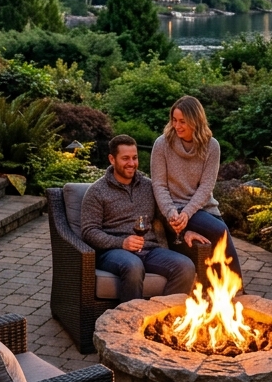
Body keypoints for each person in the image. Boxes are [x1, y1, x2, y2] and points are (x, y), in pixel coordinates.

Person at [81, 134, 206, 302]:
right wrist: (122, 243)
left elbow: (165, 218)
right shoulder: (97, 191)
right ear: (112, 159)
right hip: (114, 253)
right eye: (125, 158)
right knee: (133, 266)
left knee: (185, 266)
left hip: (150, 249)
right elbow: (89, 231)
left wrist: (184, 232)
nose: (132, 164)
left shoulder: (149, 186)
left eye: (134, 158)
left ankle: (164, 318)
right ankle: (129, 320)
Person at [151, 95, 242, 279]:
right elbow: (159, 185)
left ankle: (222, 293)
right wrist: (172, 213)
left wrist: (187, 213)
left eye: (183, 121)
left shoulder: (211, 146)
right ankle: (237, 289)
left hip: (202, 207)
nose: (177, 126)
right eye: (174, 120)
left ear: (196, 120)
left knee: (219, 238)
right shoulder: (162, 144)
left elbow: (207, 186)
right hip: (172, 208)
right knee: (220, 231)